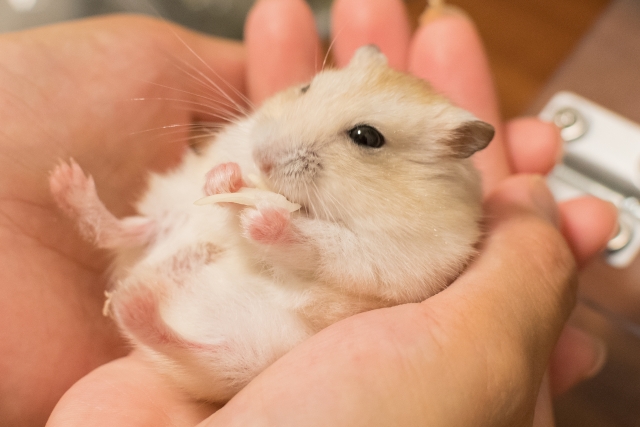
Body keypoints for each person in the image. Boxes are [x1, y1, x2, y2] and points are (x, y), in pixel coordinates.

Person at [0, 0, 615, 425]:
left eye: (365, 139)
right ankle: (116, 238)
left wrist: (303, 244)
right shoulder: (274, 133)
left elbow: (380, 275)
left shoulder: (438, 226)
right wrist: (230, 186)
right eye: (303, 92)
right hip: (209, 256)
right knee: (183, 202)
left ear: (453, 150)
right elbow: (219, 182)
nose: (278, 144)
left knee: (253, 348)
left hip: (283, 308)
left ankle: (167, 336)